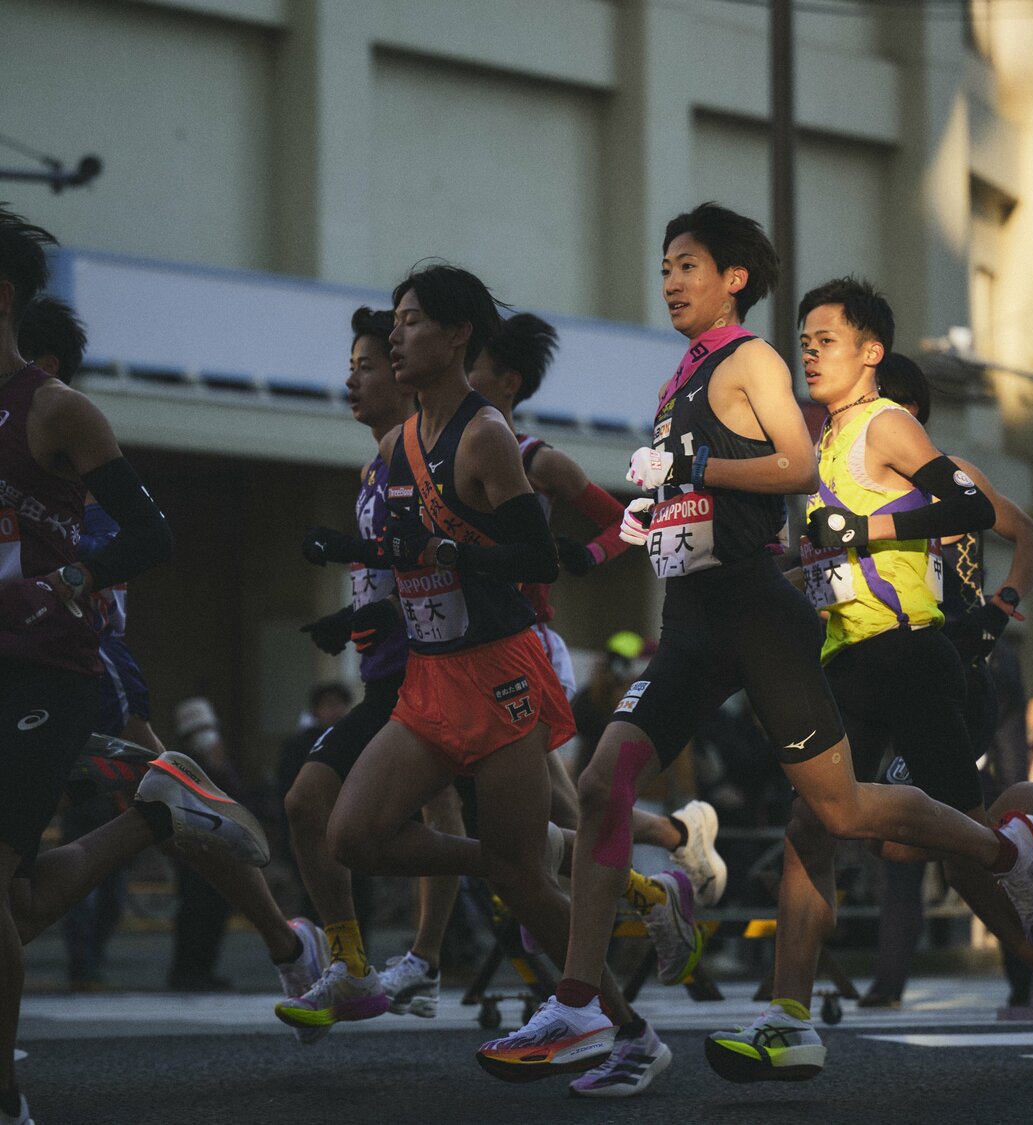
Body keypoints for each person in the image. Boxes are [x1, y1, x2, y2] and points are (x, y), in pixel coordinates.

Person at [478, 204, 1033, 1085]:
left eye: (688, 265)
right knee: (604, 782)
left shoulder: (752, 360)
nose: (671, 278)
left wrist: (697, 472)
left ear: (735, 279)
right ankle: (591, 1011)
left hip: (763, 620)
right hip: (691, 621)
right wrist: (633, 525)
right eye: (666, 264)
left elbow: (791, 465)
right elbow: (701, 498)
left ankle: (1006, 851)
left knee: (836, 812)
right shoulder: (682, 374)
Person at [703, 278, 1033, 1081]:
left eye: (827, 339)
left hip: (915, 659)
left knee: (957, 848)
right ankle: (788, 1018)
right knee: (816, 827)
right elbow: (829, 553)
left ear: (871, 353)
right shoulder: (818, 448)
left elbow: (966, 507)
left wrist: (971, 589)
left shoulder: (886, 422)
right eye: (802, 340)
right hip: (847, 658)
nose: (808, 351)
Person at [299, 264, 664, 1097]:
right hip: (428, 679)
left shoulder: (485, 435)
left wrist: (450, 553)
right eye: (396, 321)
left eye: (415, 320)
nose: (397, 335)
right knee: (351, 836)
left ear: (459, 334)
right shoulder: (396, 445)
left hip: (500, 675)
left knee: (524, 881)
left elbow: (538, 560)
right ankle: (514, 855)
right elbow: (410, 564)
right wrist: (353, 560)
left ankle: (634, 1036)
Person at [0, 204, 262, 1125]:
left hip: (46, 669)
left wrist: (71, 573)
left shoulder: (57, 410)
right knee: (15, 898)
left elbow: (152, 531)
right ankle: (154, 814)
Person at [17, 293, 329, 1016]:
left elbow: (135, 540)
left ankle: (285, 942)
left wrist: (63, 577)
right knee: (22, 896)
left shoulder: (70, 449)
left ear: (42, 363)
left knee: (177, 804)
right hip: (23, 667)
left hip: (85, 664)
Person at [467, 313, 726, 907]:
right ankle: (661, 861)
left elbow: (629, 520)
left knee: (551, 806)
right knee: (521, 811)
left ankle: (659, 863)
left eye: (470, 364)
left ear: (507, 380)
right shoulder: (438, 457)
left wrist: (586, 554)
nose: (459, 374)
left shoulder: (538, 461)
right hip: (461, 651)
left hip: (523, 646)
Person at [284, 305, 462, 1033]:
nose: (351, 380)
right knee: (473, 824)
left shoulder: (413, 451)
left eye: (366, 365)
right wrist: (353, 618)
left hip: (427, 676)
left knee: (309, 804)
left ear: (405, 368)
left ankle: (371, 963)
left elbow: (432, 565)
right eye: (351, 367)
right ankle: (644, 886)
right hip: (392, 673)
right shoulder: (376, 459)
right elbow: (391, 571)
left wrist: (373, 612)